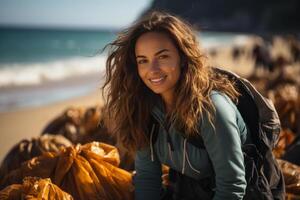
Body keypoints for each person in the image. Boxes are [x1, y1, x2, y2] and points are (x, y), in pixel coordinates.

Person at [102, 11, 248, 200]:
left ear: (183, 57)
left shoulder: (212, 108)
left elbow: (232, 187)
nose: (152, 70)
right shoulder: (145, 110)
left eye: (162, 57)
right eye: (143, 61)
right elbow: (147, 179)